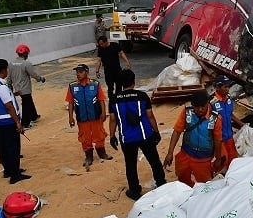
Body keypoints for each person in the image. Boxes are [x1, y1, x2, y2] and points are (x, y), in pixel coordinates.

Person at [108, 69, 166, 200]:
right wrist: (156, 132)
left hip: (127, 138)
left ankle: (134, 191)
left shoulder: (114, 100)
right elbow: (150, 116)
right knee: (154, 160)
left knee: (130, 164)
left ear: (121, 83)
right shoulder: (142, 96)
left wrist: (112, 136)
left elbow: (113, 120)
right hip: (145, 135)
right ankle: (161, 183)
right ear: (134, 82)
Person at [163, 91, 224, 187]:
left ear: (207, 103)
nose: (200, 110)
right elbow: (177, 131)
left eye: (203, 107)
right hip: (186, 154)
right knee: (182, 177)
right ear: (193, 105)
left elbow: (218, 140)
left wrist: (218, 159)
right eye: (196, 107)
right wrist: (170, 152)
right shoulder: (187, 112)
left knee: (205, 184)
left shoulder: (216, 118)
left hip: (204, 158)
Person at [0, 58, 30, 184]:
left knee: (2, 147)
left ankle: (8, 170)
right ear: (3, 70)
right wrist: (17, 122)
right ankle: (15, 174)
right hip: (7, 122)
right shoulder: (1, 86)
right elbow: (9, 106)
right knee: (13, 148)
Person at [66, 63, 112, 171]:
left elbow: (101, 99)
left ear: (87, 72)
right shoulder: (72, 86)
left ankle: (102, 153)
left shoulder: (95, 84)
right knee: (85, 138)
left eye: (81, 72)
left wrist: (103, 112)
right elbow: (70, 102)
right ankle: (88, 157)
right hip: (82, 118)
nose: (78, 74)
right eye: (77, 72)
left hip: (96, 116)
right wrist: (70, 117)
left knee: (99, 135)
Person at [210, 74, 244, 173]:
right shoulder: (211, 103)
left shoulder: (228, 99)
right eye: (225, 86)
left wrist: (242, 124)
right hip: (219, 140)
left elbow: (230, 115)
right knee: (220, 162)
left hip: (229, 137)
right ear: (217, 87)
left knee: (233, 161)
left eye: (228, 86)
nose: (228, 89)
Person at [8, 44, 46, 129]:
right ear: (25, 54)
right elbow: (33, 74)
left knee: (29, 101)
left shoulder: (11, 63)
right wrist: (41, 79)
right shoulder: (26, 63)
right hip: (25, 88)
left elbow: (9, 77)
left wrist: (9, 86)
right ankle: (25, 123)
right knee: (26, 104)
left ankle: (34, 116)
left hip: (17, 88)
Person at [96, 36, 131, 101]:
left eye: (101, 44)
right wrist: (97, 71)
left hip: (117, 69)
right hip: (108, 71)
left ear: (106, 42)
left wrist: (127, 61)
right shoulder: (100, 49)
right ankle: (111, 99)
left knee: (119, 85)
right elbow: (99, 60)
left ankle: (119, 98)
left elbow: (121, 53)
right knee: (110, 86)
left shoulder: (114, 45)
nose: (101, 45)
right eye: (99, 44)